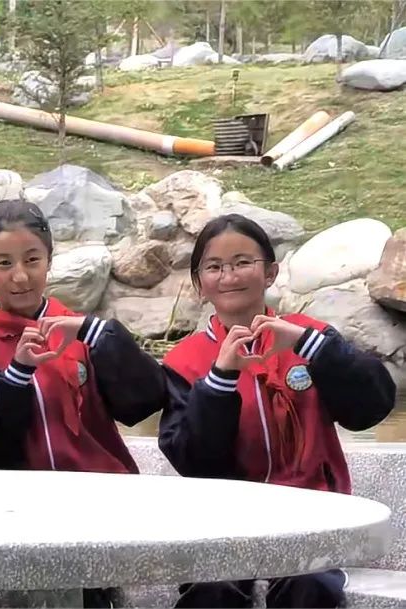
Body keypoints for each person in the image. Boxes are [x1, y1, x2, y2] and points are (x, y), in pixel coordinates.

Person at [158, 213, 397, 608]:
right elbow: (193, 460)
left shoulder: (309, 337)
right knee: (211, 591)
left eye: (242, 262)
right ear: (199, 284)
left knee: (308, 585)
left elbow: (371, 408)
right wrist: (220, 380)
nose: (229, 276)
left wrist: (312, 346)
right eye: (214, 267)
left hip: (314, 516)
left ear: (270, 272)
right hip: (225, 524)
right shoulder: (184, 362)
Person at [0, 199, 166, 609]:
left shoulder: (81, 332)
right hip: (22, 515)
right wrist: (18, 373)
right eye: (3, 263)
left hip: (99, 505)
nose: (20, 276)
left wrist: (100, 334)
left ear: (49, 260)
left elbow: (145, 401)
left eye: (32, 259)